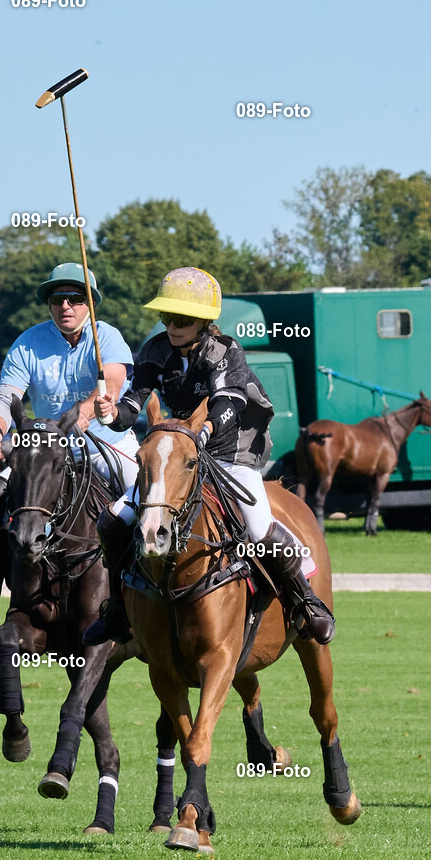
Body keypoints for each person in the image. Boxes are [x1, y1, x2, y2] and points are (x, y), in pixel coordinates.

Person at [82, 266, 335, 646]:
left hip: (231, 450)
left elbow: (228, 404)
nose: (172, 326)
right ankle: (118, 609)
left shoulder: (225, 351)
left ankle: (305, 600)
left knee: (256, 525)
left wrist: (202, 431)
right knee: (113, 521)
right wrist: (111, 413)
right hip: (180, 454)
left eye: (182, 319)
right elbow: (133, 406)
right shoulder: (154, 351)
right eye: (167, 317)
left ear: (203, 322)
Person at [0, 261, 140, 634]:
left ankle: (141, 600)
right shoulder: (28, 343)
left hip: (107, 447)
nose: (66, 306)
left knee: (147, 501)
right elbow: (5, 397)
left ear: (90, 303)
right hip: (44, 456)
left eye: (75, 298)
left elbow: (110, 383)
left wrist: (86, 413)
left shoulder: (107, 337)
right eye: (57, 298)